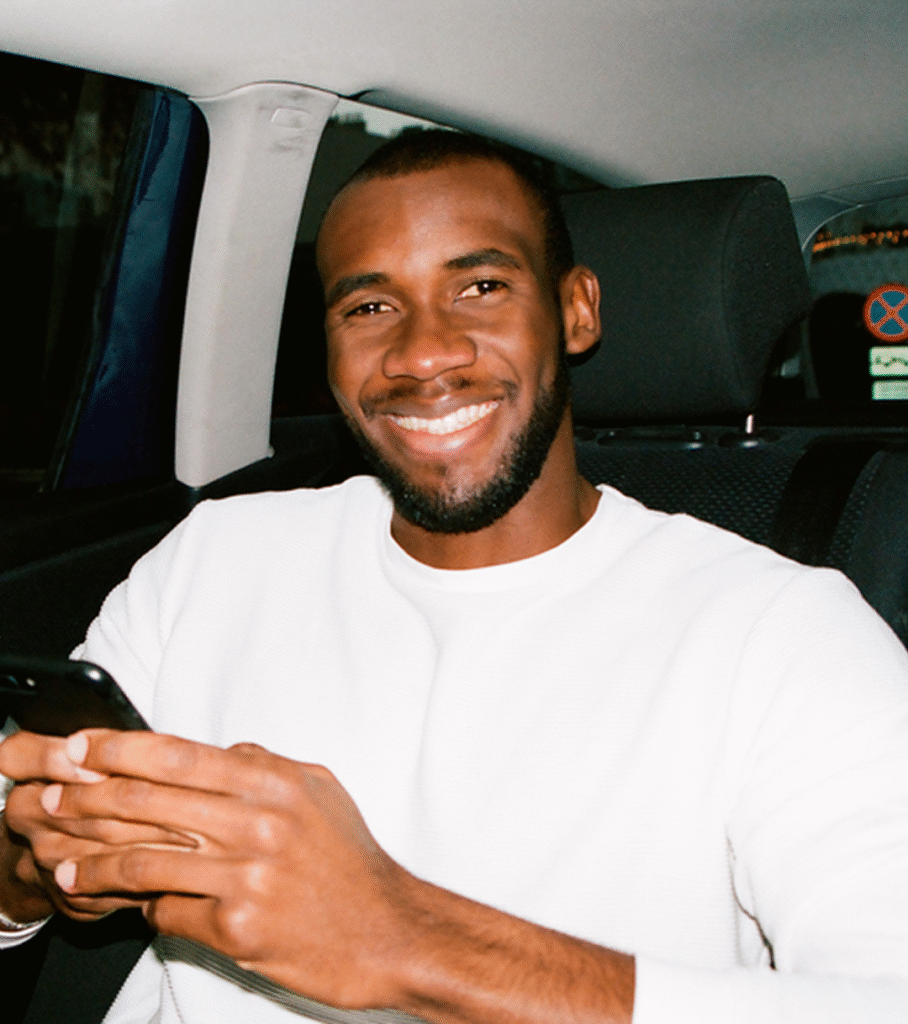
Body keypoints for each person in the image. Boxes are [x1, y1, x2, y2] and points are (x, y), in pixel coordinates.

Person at [1, 129, 908, 1024]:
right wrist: (41, 872)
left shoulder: (782, 635)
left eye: (480, 287)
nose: (423, 352)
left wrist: (407, 938)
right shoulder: (213, 557)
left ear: (576, 310)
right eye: (369, 306)